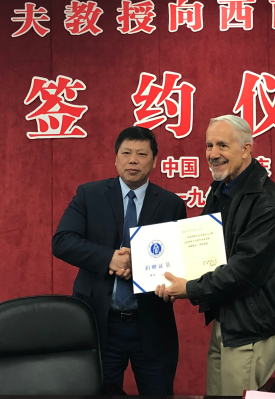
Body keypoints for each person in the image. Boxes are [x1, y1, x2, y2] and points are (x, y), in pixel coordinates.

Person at [154, 115, 275, 395]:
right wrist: (157, 267)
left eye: (222, 145)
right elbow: (200, 244)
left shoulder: (265, 201)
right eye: (209, 145)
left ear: (246, 149)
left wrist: (189, 288)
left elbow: (245, 271)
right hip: (228, 319)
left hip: (251, 326)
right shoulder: (222, 188)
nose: (213, 154)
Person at [52, 126, 187, 395]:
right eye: (126, 153)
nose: (133, 160)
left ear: (154, 161)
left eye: (141, 154)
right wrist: (109, 259)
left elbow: (179, 259)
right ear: (116, 159)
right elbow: (62, 241)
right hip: (100, 323)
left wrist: (150, 272)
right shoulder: (89, 194)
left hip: (151, 324)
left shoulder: (171, 204)